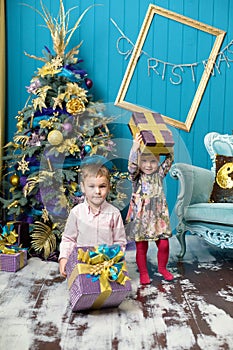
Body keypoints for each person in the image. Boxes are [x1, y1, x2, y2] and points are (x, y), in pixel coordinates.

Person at [59, 163, 127, 277]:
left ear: (109, 187)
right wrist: (64, 258)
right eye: (91, 186)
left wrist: (113, 260)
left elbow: (120, 242)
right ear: (83, 187)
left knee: (106, 292)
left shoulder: (114, 213)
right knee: (85, 291)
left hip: (106, 266)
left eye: (102, 186)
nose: (97, 191)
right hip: (82, 264)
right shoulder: (76, 212)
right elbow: (68, 239)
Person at [126, 133, 174, 284]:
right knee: (141, 247)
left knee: (164, 244)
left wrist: (167, 143)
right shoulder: (136, 176)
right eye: (144, 161)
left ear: (157, 161)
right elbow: (132, 167)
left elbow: (169, 160)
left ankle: (162, 268)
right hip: (142, 218)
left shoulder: (159, 174)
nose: (148, 165)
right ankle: (144, 272)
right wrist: (135, 147)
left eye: (153, 161)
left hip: (158, 217)